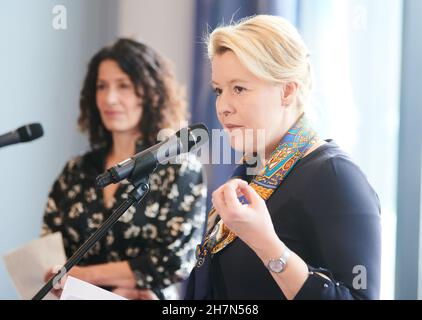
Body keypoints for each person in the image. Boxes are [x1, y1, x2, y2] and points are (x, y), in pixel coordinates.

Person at [186, 15, 381, 300]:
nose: (223, 106)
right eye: (219, 90)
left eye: (239, 88)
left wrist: (267, 245)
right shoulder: (251, 173)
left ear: (287, 91)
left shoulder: (336, 176)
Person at [41, 38, 206, 300]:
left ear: (152, 94)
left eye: (124, 86)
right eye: (102, 87)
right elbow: (49, 249)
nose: (110, 98)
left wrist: (83, 275)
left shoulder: (179, 169)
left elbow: (175, 260)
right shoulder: (75, 171)